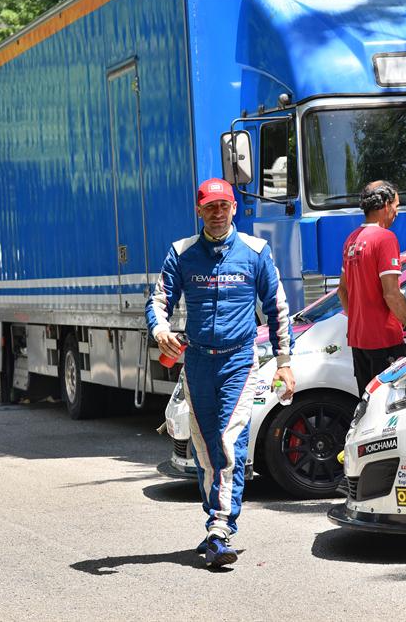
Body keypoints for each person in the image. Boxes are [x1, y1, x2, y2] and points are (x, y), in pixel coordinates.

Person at [146, 177, 294, 568]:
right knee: (205, 447)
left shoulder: (255, 251)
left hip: (239, 361)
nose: (217, 213)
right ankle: (215, 521)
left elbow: (278, 308)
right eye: (210, 207)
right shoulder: (181, 252)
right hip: (196, 362)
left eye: (223, 206)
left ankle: (221, 527)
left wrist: (284, 363)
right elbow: (158, 301)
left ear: (234, 208)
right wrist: (160, 330)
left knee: (230, 442)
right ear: (199, 210)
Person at [338, 180, 406, 395]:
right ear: (386, 205)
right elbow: (391, 294)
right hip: (385, 340)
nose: (397, 212)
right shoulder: (385, 238)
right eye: (396, 206)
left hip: (359, 341)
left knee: (367, 401)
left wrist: (360, 321)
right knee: (390, 404)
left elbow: (342, 290)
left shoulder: (351, 240)